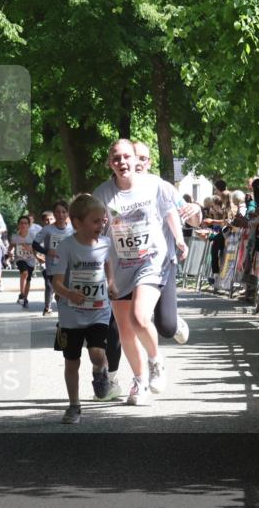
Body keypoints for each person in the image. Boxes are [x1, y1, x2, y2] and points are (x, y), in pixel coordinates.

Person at [92, 139, 185, 406]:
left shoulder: (154, 185)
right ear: (110, 164)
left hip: (151, 260)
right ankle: (140, 381)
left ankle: (156, 362)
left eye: (126, 157)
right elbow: (99, 235)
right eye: (116, 158)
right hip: (120, 265)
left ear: (135, 159)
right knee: (125, 330)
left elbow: (170, 212)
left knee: (139, 317)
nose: (122, 162)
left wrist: (179, 240)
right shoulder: (102, 194)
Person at [52, 194, 117, 424]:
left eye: (103, 220)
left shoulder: (105, 243)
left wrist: (111, 284)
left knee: (97, 354)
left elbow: (107, 263)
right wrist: (69, 293)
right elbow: (56, 282)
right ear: (77, 223)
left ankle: (100, 371)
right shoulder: (66, 247)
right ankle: (74, 406)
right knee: (72, 362)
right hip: (71, 316)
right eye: (95, 221)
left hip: (99, 310)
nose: (101, 225)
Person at [132, 141, 195, 344]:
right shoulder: (114, 189)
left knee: (167, 328)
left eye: (143, 158)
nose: (138, 162)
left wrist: (195, 211)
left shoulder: (162, 186)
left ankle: (173, 321)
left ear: (149, 163)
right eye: (134, 157)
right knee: (126, 322)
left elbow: (186, 216)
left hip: (161, 262)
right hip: (128, 264)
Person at [36, 200, 74, 315]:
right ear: (54, 213)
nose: (61, 214)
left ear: (68, 214)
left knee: (66, 293)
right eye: (58, 212)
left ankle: (64, 317)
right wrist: (47, 251)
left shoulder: (72, 229)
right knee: (59, 293)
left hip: (69, 266)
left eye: (64, 212)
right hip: (53, 267)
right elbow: (35, 244)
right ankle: (62, 317)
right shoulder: (48, 229)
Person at [8, 215, 37, 308]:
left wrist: (31, 249)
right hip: (20, 259)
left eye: (25, 223)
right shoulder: (15, 237)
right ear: (18, 225)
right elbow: (11, 246)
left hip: (31, 260)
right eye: (21, 223)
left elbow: (37, 248)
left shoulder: (33, 236)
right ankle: (22, 293)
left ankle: (25, 298)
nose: (23, 225)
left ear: (29, 225)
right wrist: (9, 252)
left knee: (28, 279)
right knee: (24, 273)